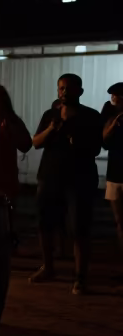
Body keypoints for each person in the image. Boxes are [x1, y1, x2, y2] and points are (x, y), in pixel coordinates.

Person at [31, 74, 103, 294]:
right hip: (49, 177)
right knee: (45, 224)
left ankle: (80, 277)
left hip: (79, 180)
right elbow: (35, 143)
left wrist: (78, 142)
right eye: (60, 88)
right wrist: (52, 129)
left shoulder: (90, 116)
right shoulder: (50, 115)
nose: (63, 92)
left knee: (79, 228)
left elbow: (96, 149)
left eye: (68, 88)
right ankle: (48, 267)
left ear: (79, 92)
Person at [104, 83, 123, 274]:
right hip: (115, 174)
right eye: (113, 96)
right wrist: (114, 123)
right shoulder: (110, 115)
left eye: (117, 96)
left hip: (117, 173)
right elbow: (104, 141)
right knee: (120, 221)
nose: (114, 99)